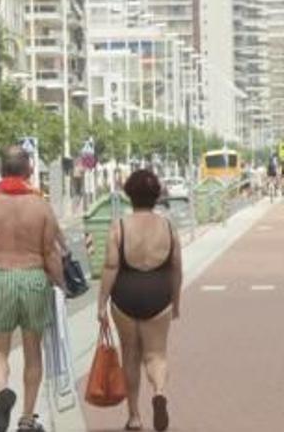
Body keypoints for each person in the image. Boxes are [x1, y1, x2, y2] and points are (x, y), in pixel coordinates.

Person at [0, 146, 66, 432]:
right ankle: (27, 418)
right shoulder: (41, 206)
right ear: (29, 171)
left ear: (0, 170)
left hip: (0, 277)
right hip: (34, 277)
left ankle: (3, 391)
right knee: (32, 352)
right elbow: (50, 253)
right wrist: (61, 284)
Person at [97, 169, 182, 432]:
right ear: (156, 196)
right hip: (158, 293)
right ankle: (158, 392)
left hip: (126, 294)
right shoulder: (167, 226)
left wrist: (101, 303)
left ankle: (134, 417)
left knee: (131, 357)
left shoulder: (120, 226)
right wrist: (175, 301)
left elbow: (111, 267)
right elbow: (176, 268)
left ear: (129, 195)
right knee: (156, 354)